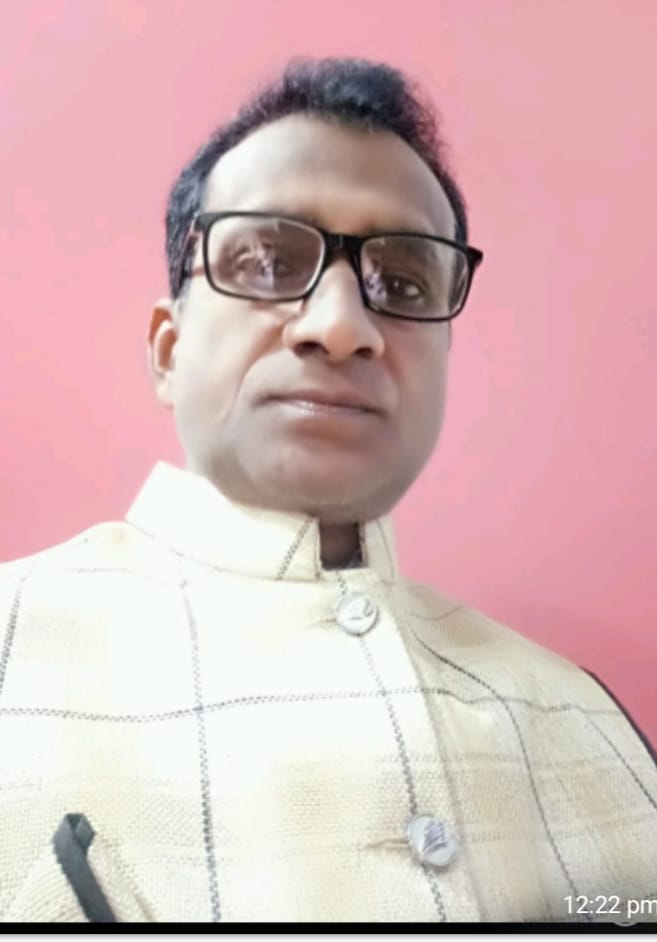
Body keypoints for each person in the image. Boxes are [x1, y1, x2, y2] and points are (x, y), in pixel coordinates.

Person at [0, 56, 656, 926]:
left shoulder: (584, 714)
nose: (342, 326)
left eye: (403, 284)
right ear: (168, 350)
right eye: (266, 261)